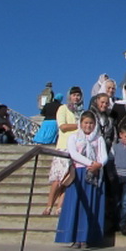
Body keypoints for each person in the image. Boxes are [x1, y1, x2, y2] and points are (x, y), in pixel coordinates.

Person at [55, 111, 108, 248]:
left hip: (94, 174)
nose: (88, 126)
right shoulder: (74, 137)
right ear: (81, 123)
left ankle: (86, 237)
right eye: (86, 123)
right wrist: (90, 163)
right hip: (79, 173)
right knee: (77, 204)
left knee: (90, 205)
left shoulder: (98, 139)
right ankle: (74, 237)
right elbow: (73, 153)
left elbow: (103, 155)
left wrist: (99, 164)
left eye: (91, 123)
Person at [44, 87, 81, 216]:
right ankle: (49, 205)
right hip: (63, 147)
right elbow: (63, 126)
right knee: (57, 179)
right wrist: (79, 126)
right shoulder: (63, 108)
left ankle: (60, 206)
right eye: (74, 95)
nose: (76, 98)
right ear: (69, 96)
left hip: (76, 149)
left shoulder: (81, 112)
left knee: (68, 179)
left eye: (78, 95)